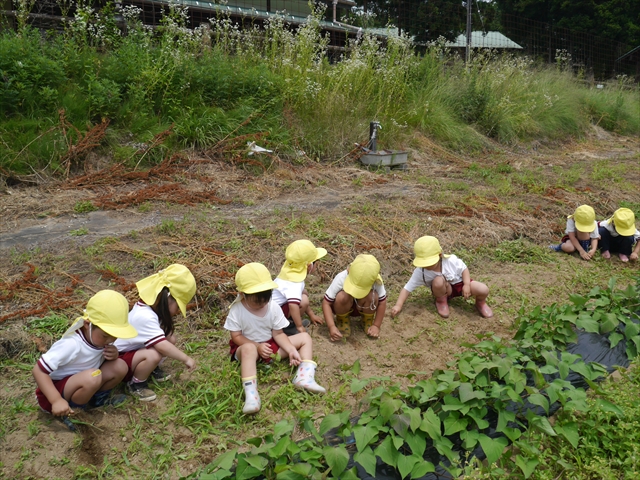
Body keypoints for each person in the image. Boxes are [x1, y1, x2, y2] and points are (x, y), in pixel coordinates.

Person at [224, 262, 325, 415]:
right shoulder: (237, 310)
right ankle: (251, 396)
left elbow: (278, 334)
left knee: (305, 337)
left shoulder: (272, 307)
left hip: (270, 346)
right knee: (249, 349)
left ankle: (304, 376)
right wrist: (256, 346)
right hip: (247, 349)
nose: (262, 304)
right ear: (243, 294)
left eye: (266, 299)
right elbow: (236, 336)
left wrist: (291, 350)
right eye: (257, 301)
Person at [33, 290, 138, 425]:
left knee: (120, 365)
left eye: (115, 336)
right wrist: (56, 400)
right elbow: (38, 370)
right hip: (54, 392)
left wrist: (114, 355)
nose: (111, 340)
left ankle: (97, 400)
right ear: (88, 324)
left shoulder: (98, 339)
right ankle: (75, 412)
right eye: (106, 336)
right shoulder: (72, 344)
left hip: (84, 383)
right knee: (93, 376)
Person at [114, 264, 197, 402]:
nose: (177, 311)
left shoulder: (149, 307)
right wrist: (185, 358)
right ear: (167, 297)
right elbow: (162, 346)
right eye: (178, 306)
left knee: (170, 339)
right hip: (118, 360)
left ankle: (149, 369)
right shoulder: (144, 316)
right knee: (154, 354)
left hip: (132, 353)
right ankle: (136, 384)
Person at [391, 236, 493, 319]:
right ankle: (441, 301)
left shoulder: (451, 261)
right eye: (424, 263)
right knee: (438, 281)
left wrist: (466, 285)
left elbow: (464, 269)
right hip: (444, 290)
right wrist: (398, 305)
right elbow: (407, 288)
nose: (426, 266)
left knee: (483, 289)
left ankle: (480, 303)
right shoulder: (420, 272)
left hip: (460, 285)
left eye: (430, 262)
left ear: (440, 255)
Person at [322, 254, 387, 340]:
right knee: (342, 296)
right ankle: (342, 320)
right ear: (349, 271)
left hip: (364, 307)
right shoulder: (341, 278)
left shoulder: (376, 281)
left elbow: (382, 302)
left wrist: (376, 325)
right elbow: (326, 303)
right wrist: (331, 326)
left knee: (372, 296)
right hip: (343, 307)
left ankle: (367, 320)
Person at [272, 239, 327, 336]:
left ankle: (288, 323)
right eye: (316, 263)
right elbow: (293, 305)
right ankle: (287, 327)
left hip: (270, 312)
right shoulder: (295, 283)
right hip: (273, 317)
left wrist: (311, 314)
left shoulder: (288, 273)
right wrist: (300, 326)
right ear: (309, 266)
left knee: (303, 294)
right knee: (304, 300)